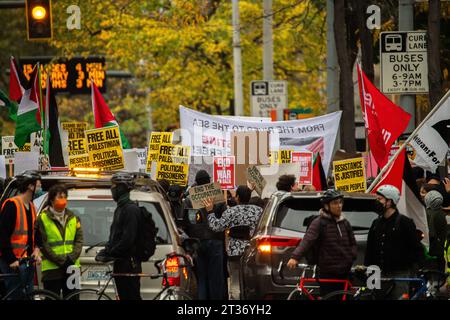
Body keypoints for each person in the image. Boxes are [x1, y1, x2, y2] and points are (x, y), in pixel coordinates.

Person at [287, 189, 357, 298]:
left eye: (340, 202)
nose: (339, 206)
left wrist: (352, 256)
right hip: (328, 273)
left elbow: (353, 242)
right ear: (326, 206)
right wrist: (295, 257)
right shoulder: (319, 222)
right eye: (335, 203)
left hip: (345, 271)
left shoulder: (345, 222)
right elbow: (308, 240)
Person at [365, 184, 424, 299]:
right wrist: (368, 268)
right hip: (378, 273)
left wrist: (418, 268)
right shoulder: (376, 223)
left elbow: (416, 247)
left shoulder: (405, 222)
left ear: (390, 201)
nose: (377, 202)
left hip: (400, 274)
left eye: (380, 199)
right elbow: (370, 249)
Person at [205, 185, 263, 300]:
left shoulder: (231, 212)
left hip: (234, 253)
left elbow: (216, 227)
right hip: (253, 253)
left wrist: (210, 211)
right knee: (252, 283)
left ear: (237, 197)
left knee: (235, 282)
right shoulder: (259, 211)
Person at [182, 170, 227, 300]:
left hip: (197, 241)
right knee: (216, 278)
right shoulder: (218, 198)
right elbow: (224, 219)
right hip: (215, 240)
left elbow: (187, 222)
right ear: (209, 181)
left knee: (201, 276)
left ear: (196, 182)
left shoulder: (190, 200)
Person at [98, 172, 142, 300]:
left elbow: (127, 240)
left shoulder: (130, 210)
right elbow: (115, 236)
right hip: (121, 263)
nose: (112, 189)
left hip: (129, 265)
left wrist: (111, 252)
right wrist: (106, 249)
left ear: (122, 188)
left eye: (114, 186)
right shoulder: (120, 208)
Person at [34, 184, 83, 298]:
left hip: (72, 268)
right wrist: (61, 261)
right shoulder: (42, 218)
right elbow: (43, 244)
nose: (63, 200)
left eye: (65, 197)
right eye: (59, 197)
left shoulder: (74, 217)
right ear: (51, 200)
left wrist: (71, 258)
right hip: (52, 270)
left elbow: (79, 240)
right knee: (52, 297)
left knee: (73, 297)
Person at [0, 171, 42, 299]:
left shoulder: (32, 206)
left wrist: (37, 249)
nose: (40, 186)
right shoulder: (12, 205)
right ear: (30, 186)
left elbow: (35, 232)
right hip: (12, 262)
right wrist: (11, 259)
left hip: (27, 261)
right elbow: (2, 234)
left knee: (27, 295)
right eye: (39, 183)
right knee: (15, 295)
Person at [424, 191, 447, 272]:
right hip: (441, 252)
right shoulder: (442, 214)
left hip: (432, 254)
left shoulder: (429, 214)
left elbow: (431, 234)